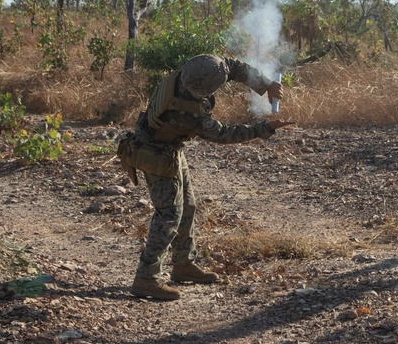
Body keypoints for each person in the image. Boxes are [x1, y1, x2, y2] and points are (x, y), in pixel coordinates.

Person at [118, 54, 295, 301]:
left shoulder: (199, 67)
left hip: (171, 148)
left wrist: (266, 85)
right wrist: (264, 129)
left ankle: (183, 265)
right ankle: (146, 278)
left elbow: (235, 67)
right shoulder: (187, 113)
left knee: (188, 205)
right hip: (155, 154)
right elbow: (224, 134)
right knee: (169, 215)